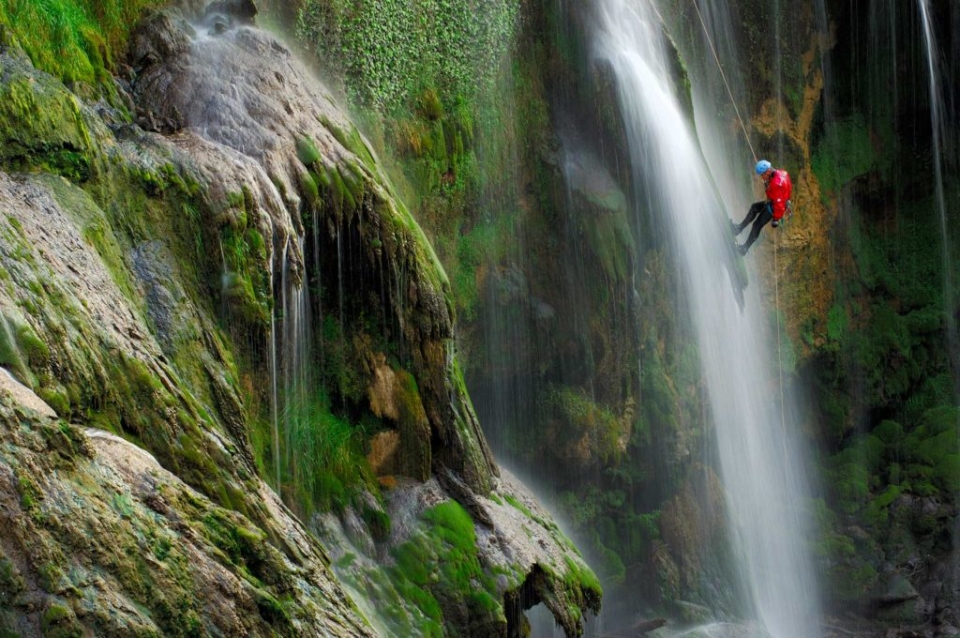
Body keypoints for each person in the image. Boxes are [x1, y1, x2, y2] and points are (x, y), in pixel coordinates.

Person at [732, 159, 792, 255]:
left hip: (774, 208)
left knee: (757, 225)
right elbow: (788, 186)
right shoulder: (782, 173)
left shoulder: (775, 184)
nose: (761, 178)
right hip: (775, 202)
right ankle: (738, 229)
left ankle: (744, 248)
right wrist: (788, 200)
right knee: (754, 208)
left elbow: (779, 206)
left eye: (762, 175)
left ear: (767, 172)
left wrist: (775, 219)